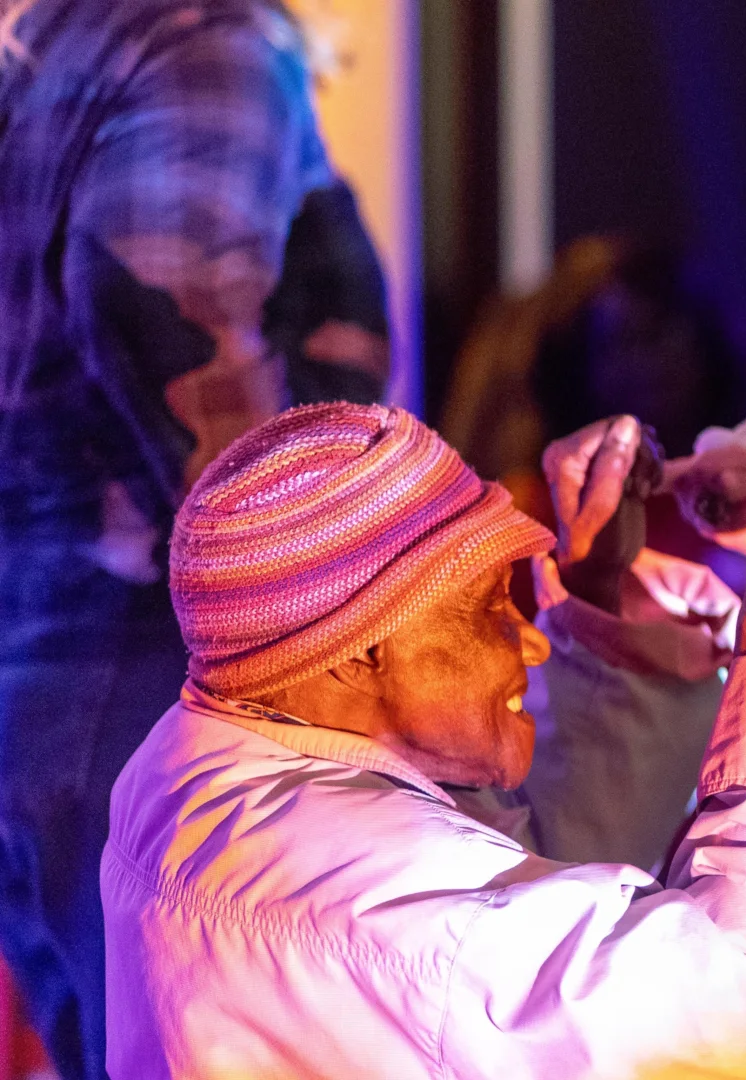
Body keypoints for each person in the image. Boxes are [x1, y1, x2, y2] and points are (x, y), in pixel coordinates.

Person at [103, 402, 746, 1077]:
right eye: (487, 607)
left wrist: (600, 591)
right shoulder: (395, 912)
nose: (530, 640)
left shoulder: (204, 764)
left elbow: (545, 882)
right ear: (352, 655)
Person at [0, 2, 388, 1076]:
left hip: (51, 662)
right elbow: (165, 301)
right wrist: (312, 601)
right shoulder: (201, 34)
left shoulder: (74, 40)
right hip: (157, 674)